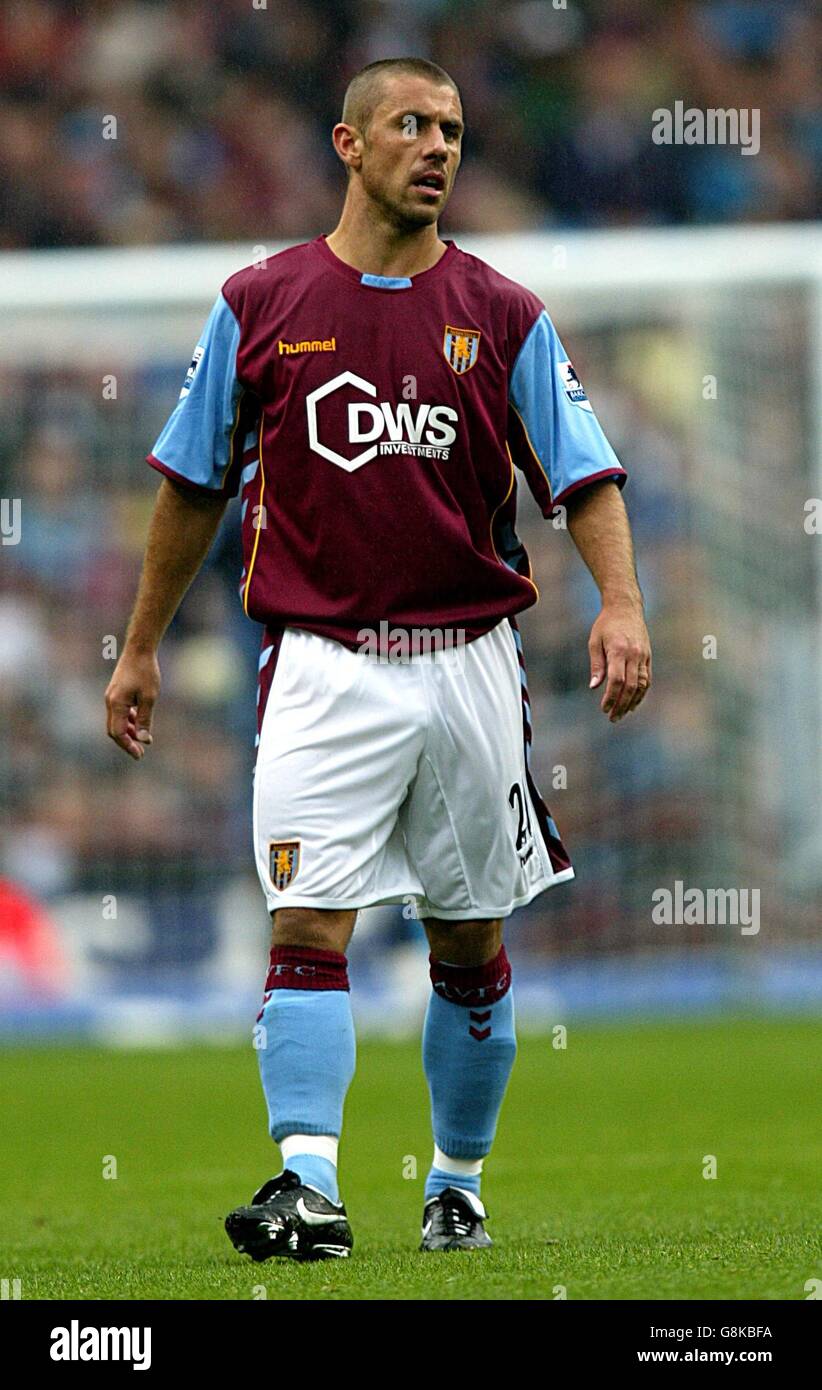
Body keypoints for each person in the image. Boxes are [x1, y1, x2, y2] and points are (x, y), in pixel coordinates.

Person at [105, 57, 652, 1261]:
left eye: (453, 128)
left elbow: (586, 473)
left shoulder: (503, 313)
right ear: (349, 145)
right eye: (412, 125)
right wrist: (140, 646)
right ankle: (309, 1187)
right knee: (307, 923)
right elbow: (191, 485)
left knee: (469, 941)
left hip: (467, 663)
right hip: (319, 665)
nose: (439, 146)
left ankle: (454, 1182)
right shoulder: (260, 302)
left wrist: (621, 603)